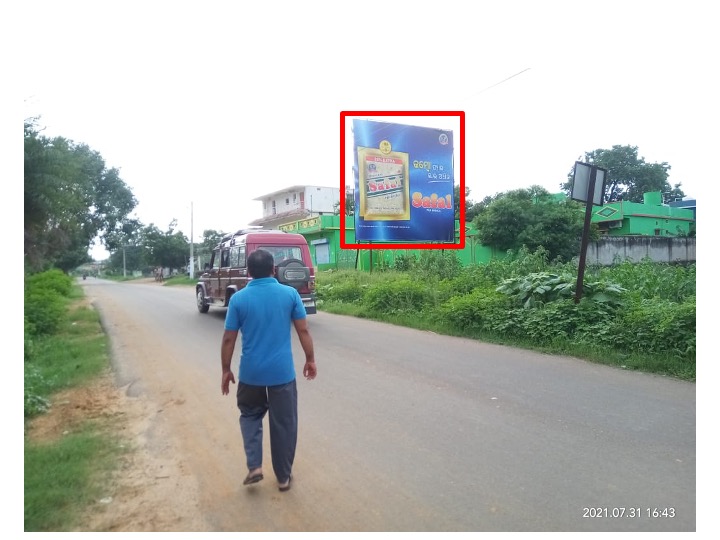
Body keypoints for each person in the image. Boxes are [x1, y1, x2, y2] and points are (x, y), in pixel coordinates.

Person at [220, 249, 317, 492]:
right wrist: (310, 359)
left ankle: (254, 467)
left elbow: (229, 339)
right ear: (274, 270)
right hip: (281, 374)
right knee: (284, 423)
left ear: (249, 272)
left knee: (250, 415)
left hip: (250, 375)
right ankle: (283, 478)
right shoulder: (290, 294)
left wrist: (225, 369)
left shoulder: (239, 299)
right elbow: (303, 331)